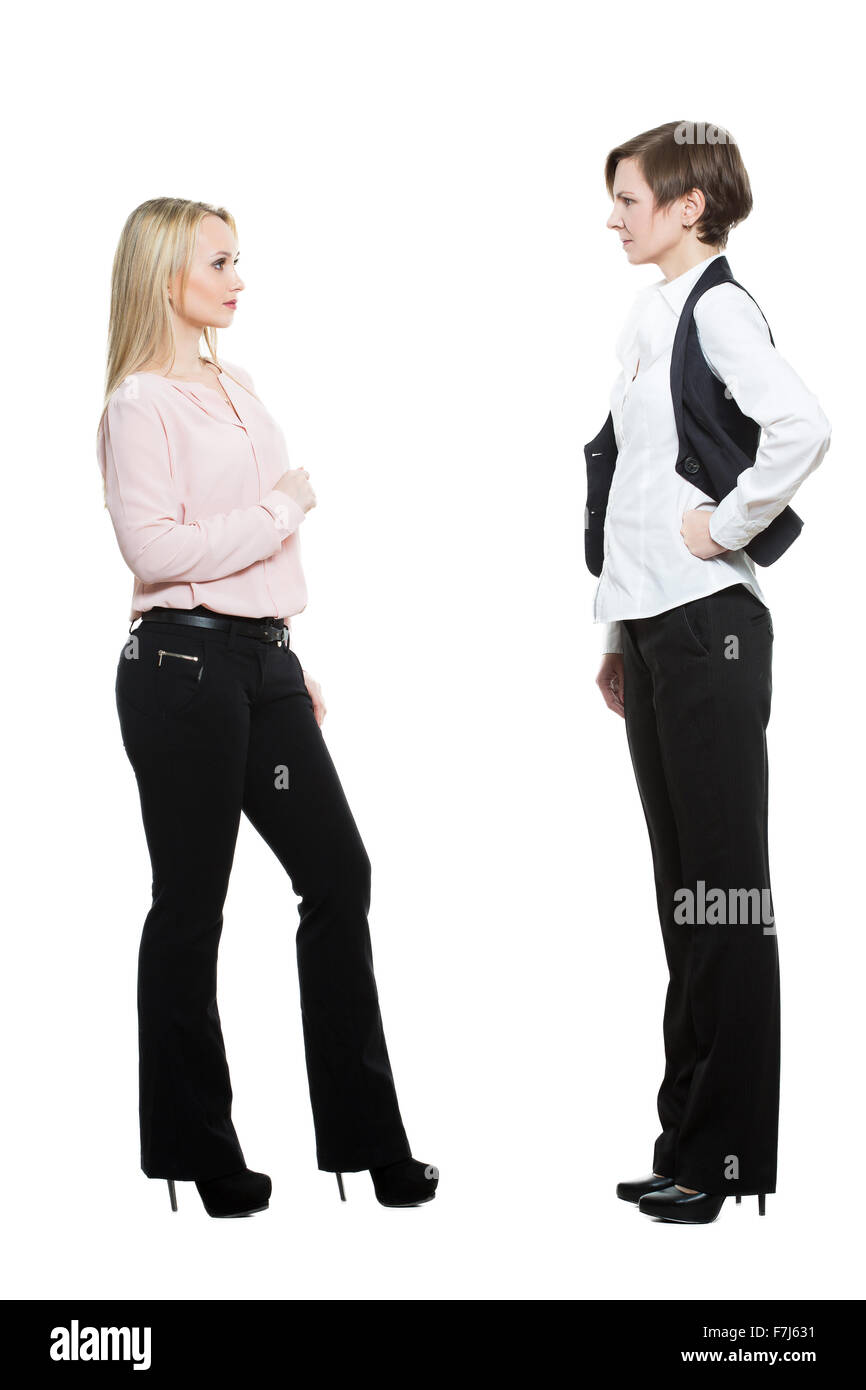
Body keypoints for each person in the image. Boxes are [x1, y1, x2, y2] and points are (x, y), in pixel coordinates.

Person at [96, 197, 439, 1217]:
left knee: (338, 874)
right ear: (166, 277)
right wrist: (283, 507)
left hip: (262, 668)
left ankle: (365, 1141)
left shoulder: (235, 382)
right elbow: (156, 553)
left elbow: (236, 552)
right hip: (181, 676)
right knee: (191, 904)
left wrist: (278, 656)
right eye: (219, 261)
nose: (239, 277)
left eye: (238, 258)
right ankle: (195, 1153)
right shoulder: (137, 404)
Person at [586, 123, 831, 1223]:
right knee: (684, 899)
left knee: (724, 897)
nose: (613, 216)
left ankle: (725, 1161)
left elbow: (801, 425)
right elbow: (639, 477)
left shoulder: (717, 306)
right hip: (654, 634)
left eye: (628, 198)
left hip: (710, 631)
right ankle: (685, 1138)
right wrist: (613, 630)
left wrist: (725, 524)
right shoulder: (651, 313)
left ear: (689, 206)